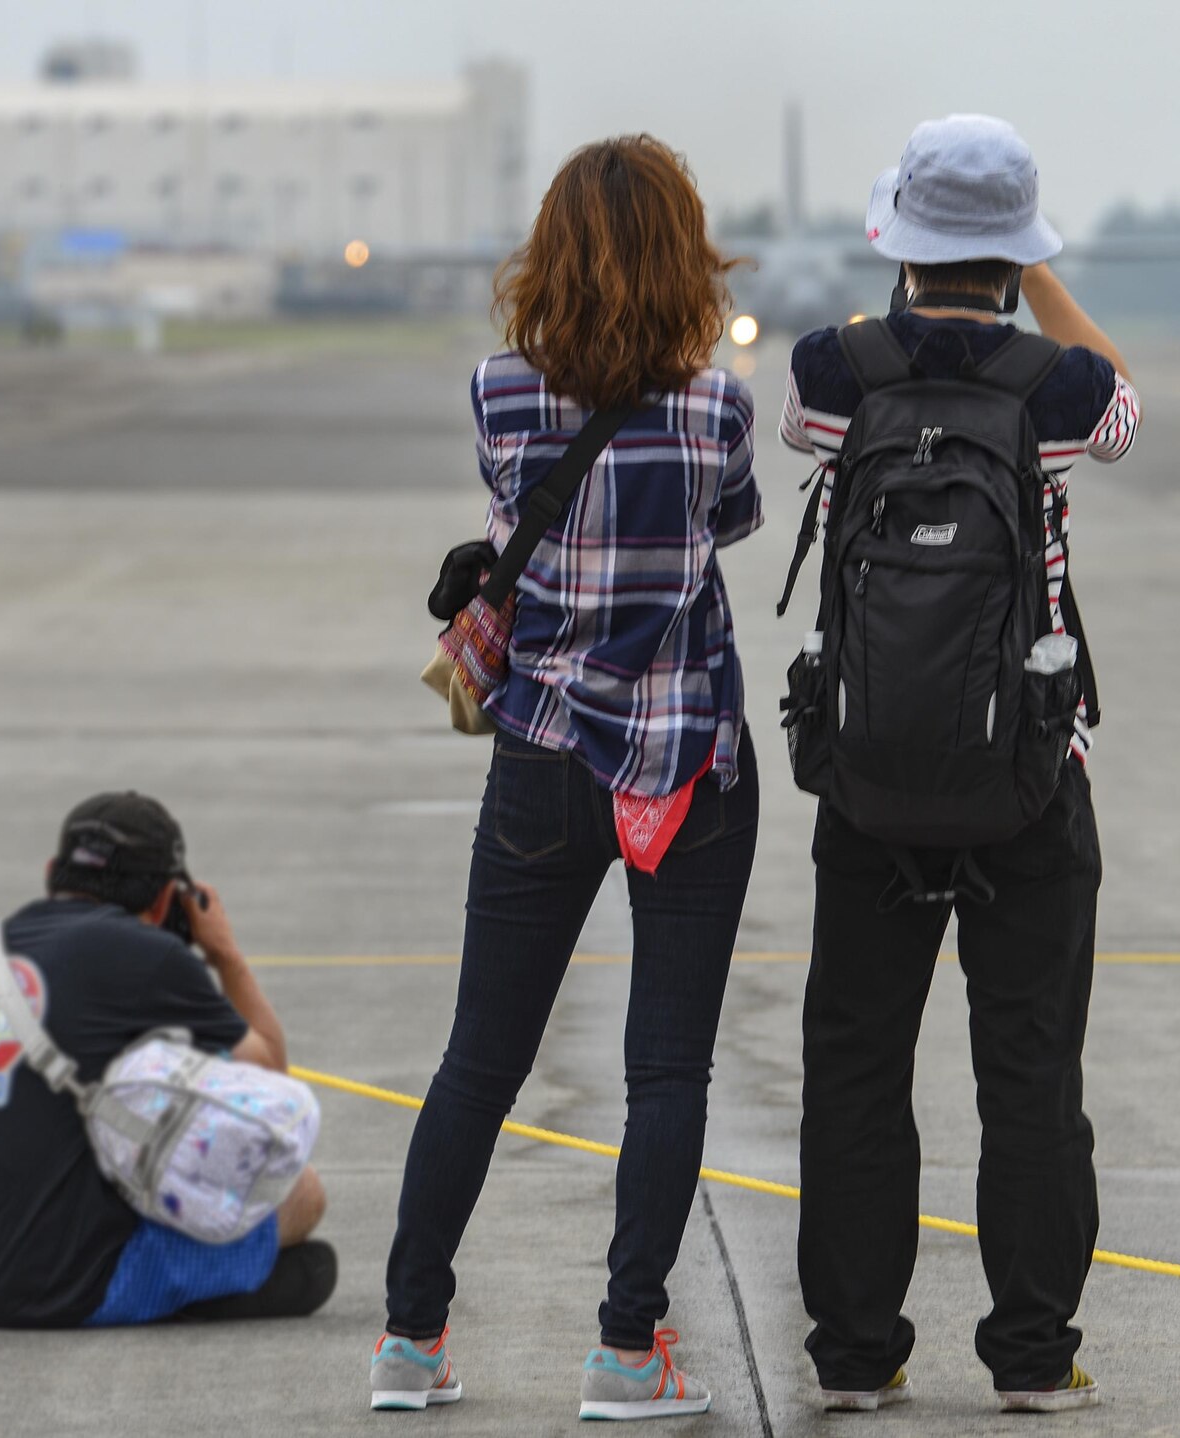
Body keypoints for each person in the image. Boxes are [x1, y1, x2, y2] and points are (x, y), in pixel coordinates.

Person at [371, 134, 762, 1420]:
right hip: (683, 764)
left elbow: (514, 519)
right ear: (681, 261)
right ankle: (624, 1348)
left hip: (542, 750)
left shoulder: (498, 392)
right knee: (667, 1070)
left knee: (479, 1060)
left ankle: (410, 1340)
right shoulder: (714, 408)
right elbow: (730, 524)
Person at [778, 115, 1142, 1415]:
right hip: (1030, 772)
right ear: (1015, 245)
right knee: (1031, 1073)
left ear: (901, 237)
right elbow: (1123, 409)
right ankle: (1035, 1357)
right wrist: (1038, 279)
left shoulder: (836, 369)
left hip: (869, 773)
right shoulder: (1055, 384)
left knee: (859, 1066)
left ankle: (855, 1353)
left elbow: (801, 441)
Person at [0, 791, 334, 1328]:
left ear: (53, 872)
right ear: (168, 901)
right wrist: (223, 954)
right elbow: (267, 1070)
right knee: (302, 1200)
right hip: (54, 1281)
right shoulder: (147, 953)